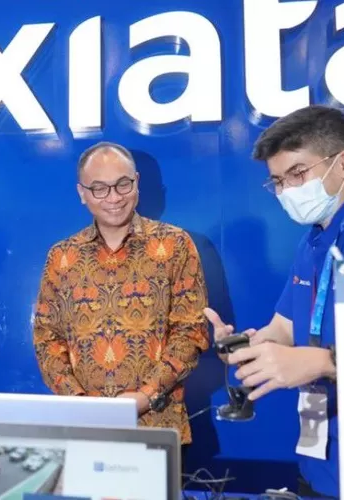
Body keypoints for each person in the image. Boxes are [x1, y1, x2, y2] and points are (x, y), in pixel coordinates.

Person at [205, 105, 344, 499]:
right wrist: (247, 345)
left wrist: (323, 362)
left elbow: (324, 355)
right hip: (320, 457)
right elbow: (285, 327)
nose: (288, 191)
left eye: (298, 173)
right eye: (278, 181)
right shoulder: (312, 242)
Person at [33, 142, 209, 446]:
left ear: (136, 182)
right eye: (99, 189)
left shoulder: (175, 245)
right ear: (82, 193)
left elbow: (191, 332)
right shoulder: (62, 257)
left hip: (157, 425)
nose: (114, 198)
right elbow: (47, 338)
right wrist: (78, 401)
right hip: (84, 429)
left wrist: (145, 396)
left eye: (122, 184)